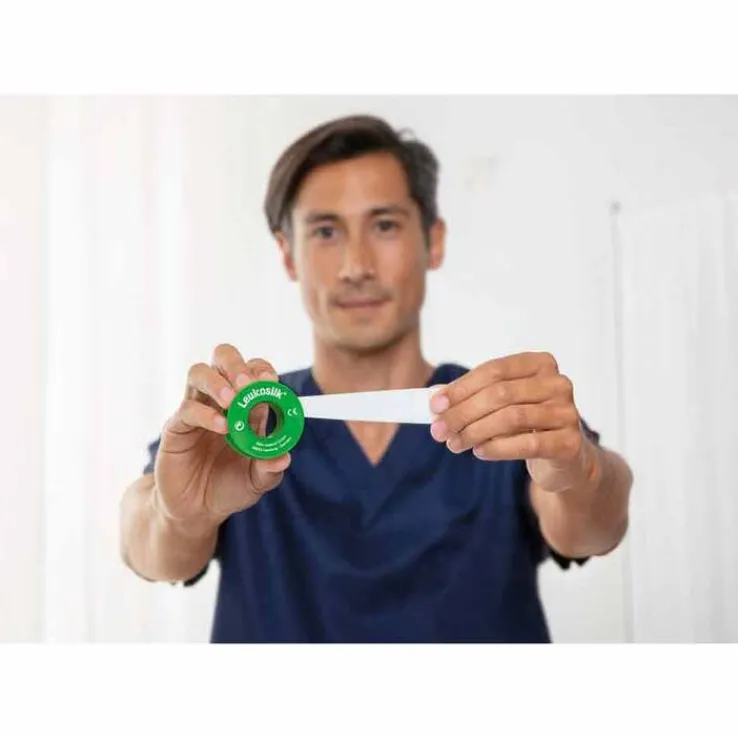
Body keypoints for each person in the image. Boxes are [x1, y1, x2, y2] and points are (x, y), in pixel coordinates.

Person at [119, 114, 633, 643]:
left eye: (384, 225)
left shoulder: (498, 413)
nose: (356, 266)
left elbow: (595, 527)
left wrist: (581, 468)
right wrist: (177, 517)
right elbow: (145, 542)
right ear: (287, 253)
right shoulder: (243, 425)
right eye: (325, 232)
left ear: (434, 240)